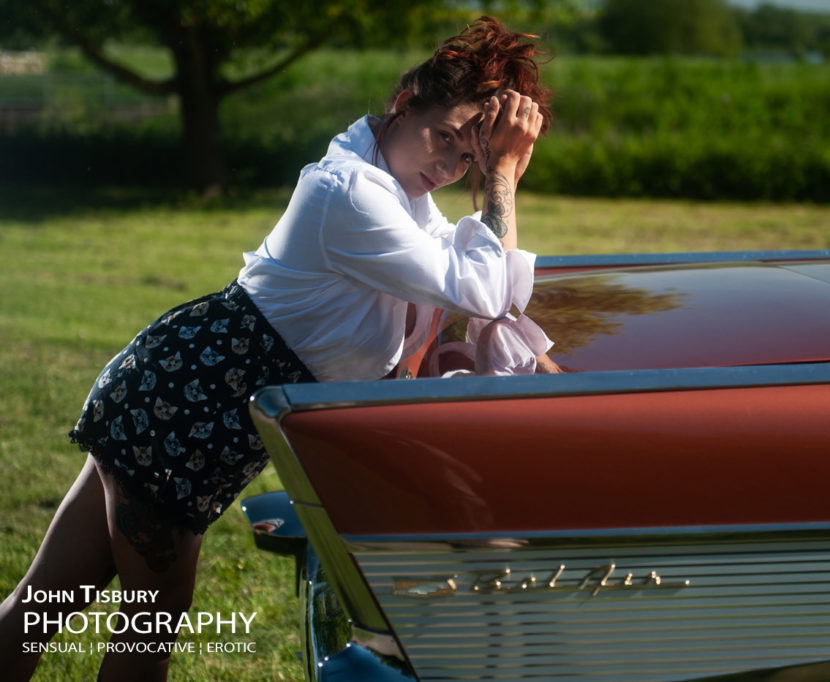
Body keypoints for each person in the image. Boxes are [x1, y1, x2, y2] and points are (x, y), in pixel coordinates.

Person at [0, 16, 555, 680]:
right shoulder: (350, 189)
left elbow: (488, 281)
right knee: (153, 610)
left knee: (48, 598)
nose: (445, 167)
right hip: (178, 406)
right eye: (443, 140)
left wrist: (492, 167)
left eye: (465, 157)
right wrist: (504, 173)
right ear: (404, 103)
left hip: (173, 394)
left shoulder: (400, 188)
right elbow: (482, 289)